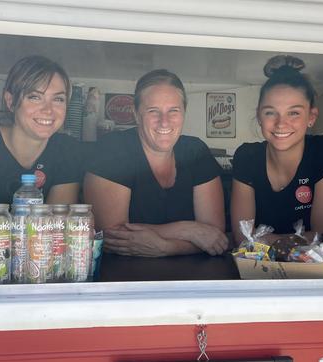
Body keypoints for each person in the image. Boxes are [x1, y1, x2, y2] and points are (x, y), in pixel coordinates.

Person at [84, 69, 228, 257]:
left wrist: (166, 248)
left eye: (173, 111)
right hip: (123, 277)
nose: (164, 122)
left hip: (190, 278)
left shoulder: (195, 151)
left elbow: (214, 237)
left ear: (184, 112)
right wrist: (187, 230)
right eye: (153, 111)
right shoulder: (114, 149)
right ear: (136, 114)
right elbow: (113, 236)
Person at [231, 55, 323, 242]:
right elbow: (243, 238)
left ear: (311, 117)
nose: (281, 123)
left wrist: (267, 241)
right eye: (270, 112)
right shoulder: (247, 157)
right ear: (259, 116)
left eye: (294, 113)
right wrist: (293, 241)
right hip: (256, 270)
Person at [0, 55, 81, 204]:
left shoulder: (67, 150)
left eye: (58, 99)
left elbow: (58, 222)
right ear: (10, 101)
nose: (48, 110)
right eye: (35, 97)